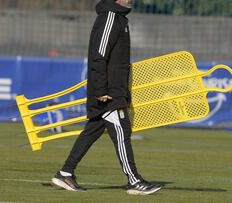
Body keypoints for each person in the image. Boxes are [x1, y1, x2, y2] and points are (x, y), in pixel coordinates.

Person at [51, 0, 162, 195]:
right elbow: (98, 56)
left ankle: (65, 173)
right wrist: (101, 89)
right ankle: (134, 181)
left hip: (115, 90)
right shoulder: (109, 18)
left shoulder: (119, 18)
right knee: (122, 132)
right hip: (108, 93)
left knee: (91, 132)